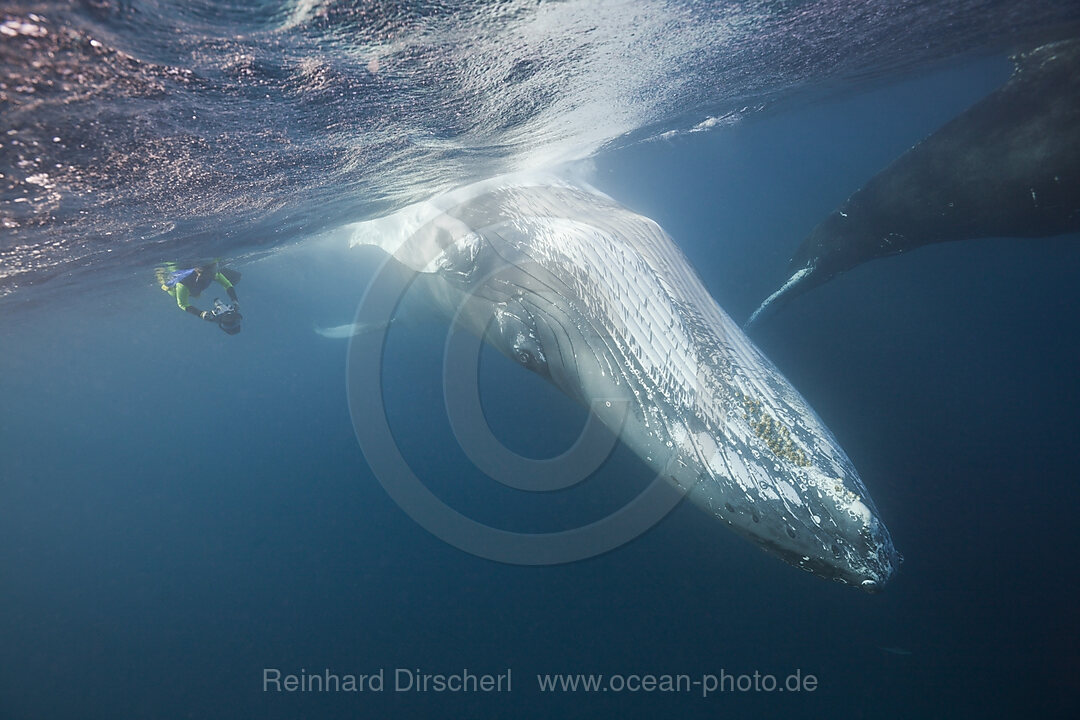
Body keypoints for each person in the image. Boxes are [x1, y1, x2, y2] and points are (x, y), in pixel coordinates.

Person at [157, 261, 243, 334]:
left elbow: (182, 304)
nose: (214, 274)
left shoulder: (211, 274)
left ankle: (160, 273)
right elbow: (227, 284)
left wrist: (200, 314)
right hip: (186, 288)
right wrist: (235, 300)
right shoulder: (209, 274)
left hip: (182, 288)